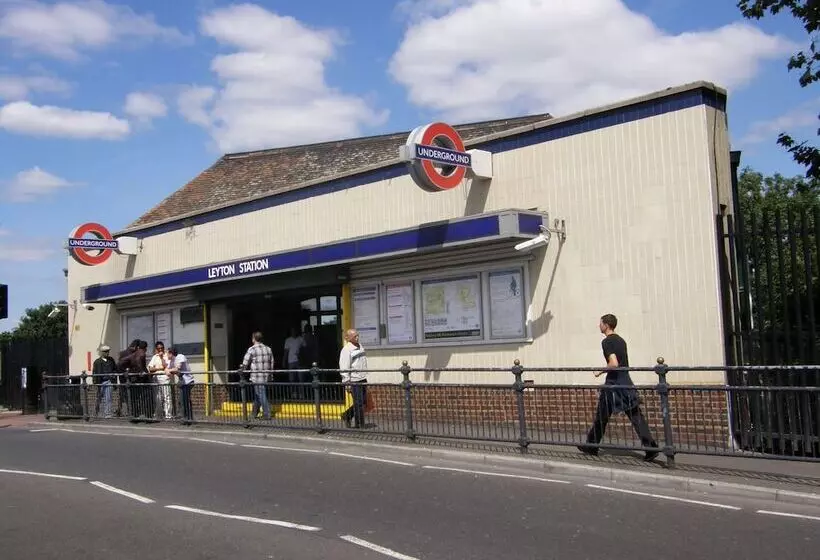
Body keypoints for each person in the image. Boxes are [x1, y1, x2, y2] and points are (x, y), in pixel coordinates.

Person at [578, 314, 659, 461]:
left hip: (613, 385)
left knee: (602, 415)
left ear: (606, 325)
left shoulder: (607, 342)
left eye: (600, 323)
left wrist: (600, 371)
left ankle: (591, 445)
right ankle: (651, 448)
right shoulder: (621, 340)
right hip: (625, 382)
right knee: (635, 415)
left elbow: (614, 363)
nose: (599, 325)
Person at [240, 331, 274, 420]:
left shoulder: (252, 349)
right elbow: (272, 362)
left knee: (261, 394)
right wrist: (270, 374)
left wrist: (241, 370)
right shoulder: (268, 349)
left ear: (254, 339)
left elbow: (245, 362)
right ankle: (254, 413)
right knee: (257, 395)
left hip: (256, 376)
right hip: (266, 376)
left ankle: (267, 413)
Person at [338, 328, 368, 429]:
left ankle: (346, 415)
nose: (357, 337)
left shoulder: (360, 346)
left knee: (363, 401)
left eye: (357, 335)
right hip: (354, 380)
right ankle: (360, 424)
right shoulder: (346, 350)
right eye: (355, 336)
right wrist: (347, 382)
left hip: (362, 378)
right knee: (359, 403)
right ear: (348, 338)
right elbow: (344, 367)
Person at [166, 347, 194, 424]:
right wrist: (167, 370)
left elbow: (177, 368)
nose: (166, 355)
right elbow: (167, 368)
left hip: (188, 382)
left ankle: (187, 419)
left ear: (171, 353)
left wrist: (169, 370)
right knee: (182, 400)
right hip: (182, 383)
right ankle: (187, 418)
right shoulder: (171, 361)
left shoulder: (180, 356)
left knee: (184, 400)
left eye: (167, 353)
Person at [148, 341, 172, 420]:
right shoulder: (154, 357)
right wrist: (160, 368)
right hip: (156, 379)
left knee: (167, 397)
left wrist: (162, 358)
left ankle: (168, 415)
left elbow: (166, 366)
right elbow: (150, 369)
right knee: (157, 397)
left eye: (162, 348)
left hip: (165, 378)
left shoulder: (166, 356)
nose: (160, 350)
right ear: (156, 349)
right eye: (159, 349)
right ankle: (159, 414)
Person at [92, 345, 117, 418]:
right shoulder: (97, 362)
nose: (107, 353)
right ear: (101, 352)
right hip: (100, 382)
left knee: (108, 398)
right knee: (98, 398)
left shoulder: (111, 360)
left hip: (109, 381)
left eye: (108, 351)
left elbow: (115, 369)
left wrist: (114, 379)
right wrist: (95, 383)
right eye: (105, 351)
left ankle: (108, 413)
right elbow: (94, 373)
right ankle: (96, 412)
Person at [283, 326, 306, 398]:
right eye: (292, 331)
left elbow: (305, 349)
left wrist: (301, 354)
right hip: (291, 361)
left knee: (300, 378)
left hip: (300, 361)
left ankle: (301, 394)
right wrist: (284, 361)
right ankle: (293, 394)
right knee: (292, 379)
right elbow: (286, 352)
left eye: (295, 330)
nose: (293, 332)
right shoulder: (288, 340)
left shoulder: (301, 339)